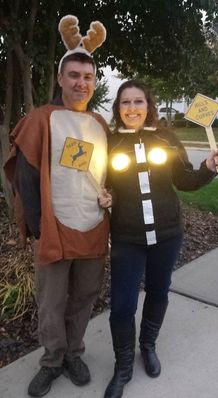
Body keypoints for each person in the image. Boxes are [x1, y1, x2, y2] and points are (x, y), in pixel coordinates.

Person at [4, 15, 109, 397]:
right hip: (54, 227)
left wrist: (108, 196)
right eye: (75, 75)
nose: (81, 83)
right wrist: (36, 226)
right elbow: (25, 177)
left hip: (94, 226)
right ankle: (52, 360)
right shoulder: (41, 118)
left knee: (83, 297)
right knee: (51, 301)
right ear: (61, 79)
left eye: (88, 77)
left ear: (93, 83)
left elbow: (105, 173)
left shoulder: (100, 123)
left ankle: (74, 353)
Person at [99, 80, 218, 398]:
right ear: (118, 108)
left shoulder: (167, 138)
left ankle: (148, 345)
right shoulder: (110, 143)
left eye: (138, 102)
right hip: (127, 237)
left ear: (148, 105)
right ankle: (124, 366)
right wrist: (104, 196)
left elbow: (184, 180)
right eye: (125, 102)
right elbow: (101, 183)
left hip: (167, 234)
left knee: (158, 292)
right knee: (122, 307)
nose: (131, 108)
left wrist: (207, 168)